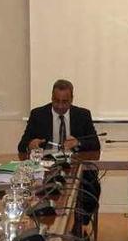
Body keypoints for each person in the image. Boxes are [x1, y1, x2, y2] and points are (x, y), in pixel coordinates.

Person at [17, 79, 101, 227]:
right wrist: (31, 144)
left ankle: (79, 225)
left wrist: (78, 143)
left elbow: (95, 144)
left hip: (73, 166)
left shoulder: (82, 115)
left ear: (72, 100)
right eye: (57, 101)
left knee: (92, 186)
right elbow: (22, 145)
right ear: (51, 98)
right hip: (46, 168)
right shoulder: (38, 114)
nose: (60, 106)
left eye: (65, 102)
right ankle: (44, 224)